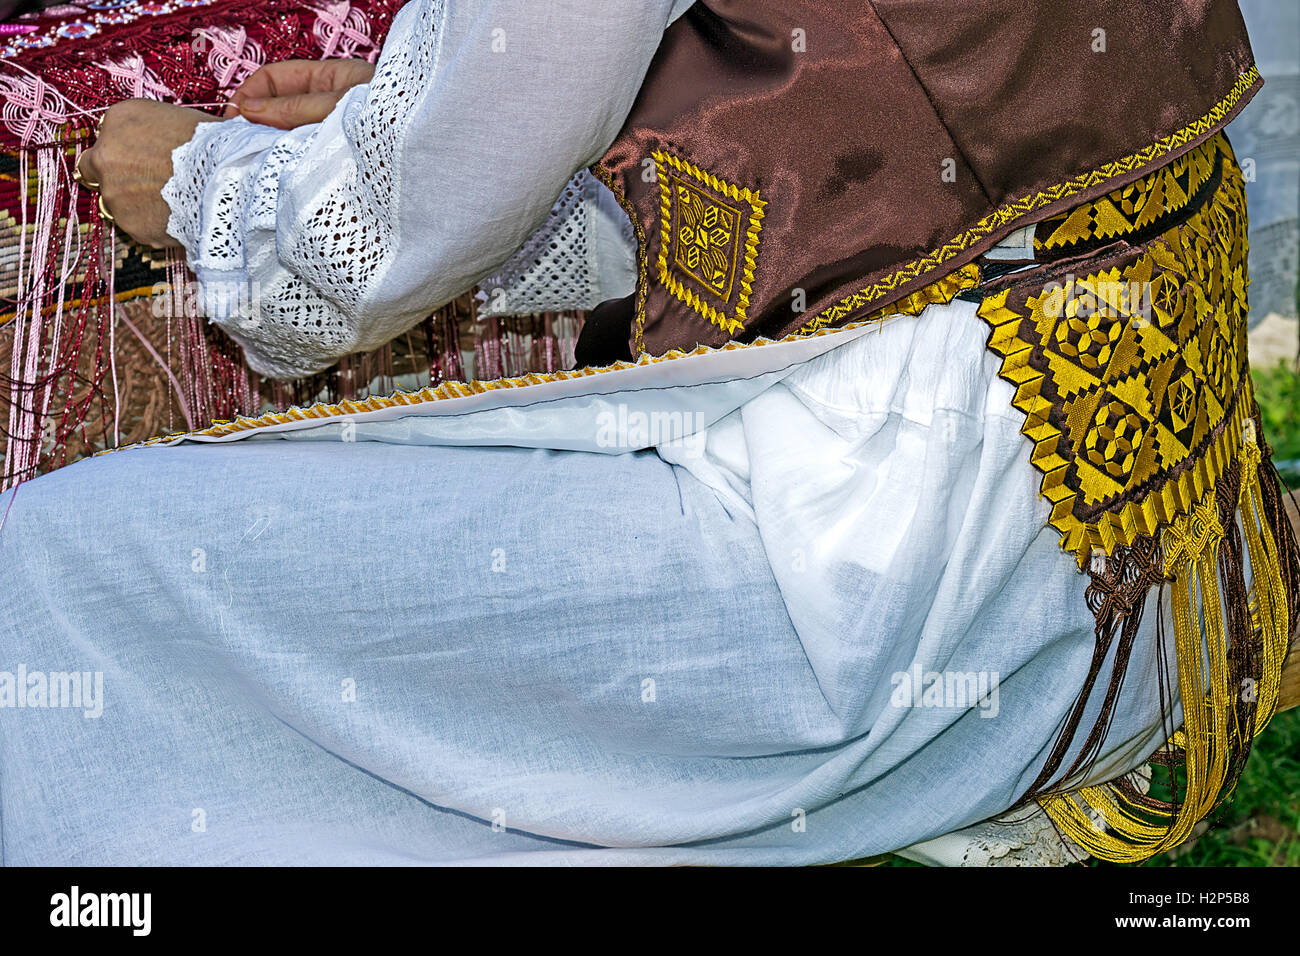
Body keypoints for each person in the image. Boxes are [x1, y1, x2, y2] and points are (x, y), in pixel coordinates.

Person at [0, 0, 1290, 865]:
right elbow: (825, 129)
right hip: (1137, 501)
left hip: (884, 554)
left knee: (68, 573)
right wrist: (460, 123)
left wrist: (195, 183)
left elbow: (372, 250)